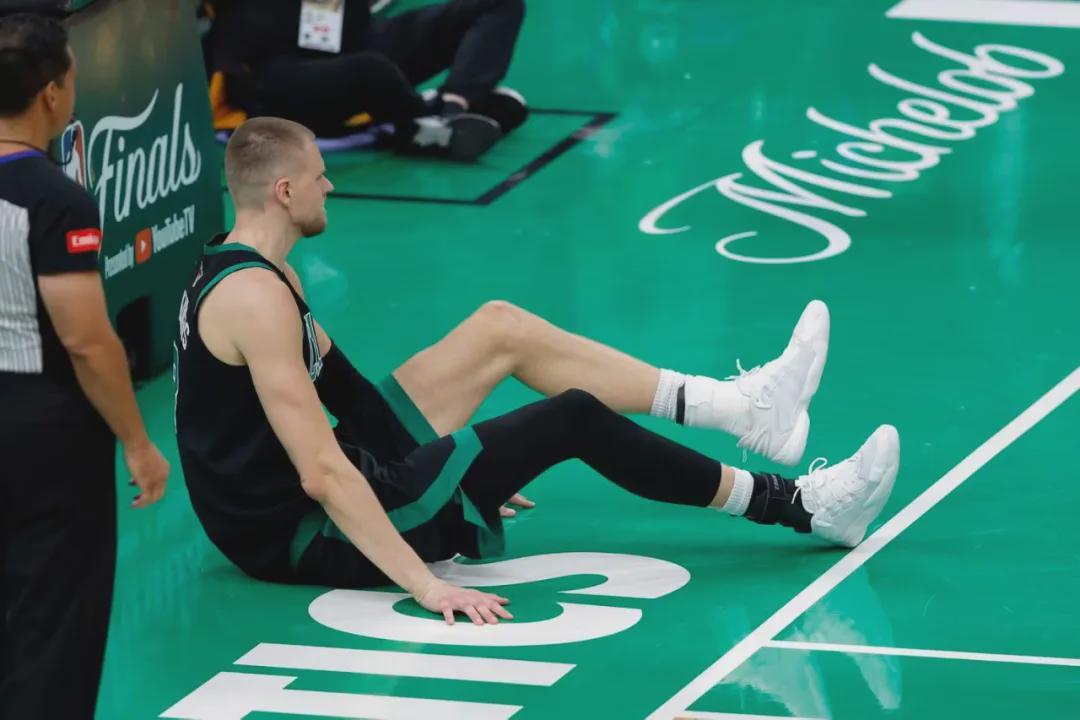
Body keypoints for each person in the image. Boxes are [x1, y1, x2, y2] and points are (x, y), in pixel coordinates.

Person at [174, 117, 900, 626]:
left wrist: (466, 466)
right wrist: (426, 585)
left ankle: (743, 407)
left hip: (298, 494)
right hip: (300, 534)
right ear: (285, 192)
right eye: (320, 177)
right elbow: (321, 474)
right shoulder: (257, 300)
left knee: (500, 327)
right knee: (572, 418)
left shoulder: (251, 268)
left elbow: (351, 396)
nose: (331, 186)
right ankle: (799, 506)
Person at [0, 12, 170, 718]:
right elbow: (87, 341)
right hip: (43, 440)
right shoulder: (55, 198)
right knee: (53, 621)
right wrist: (137, 441)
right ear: (51, 92)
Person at [208, 0, 529, 161]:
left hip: (354, 41)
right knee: (371, 70)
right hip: (275, 73)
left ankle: (452, 105)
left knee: (496, 3)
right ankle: (421, 125)